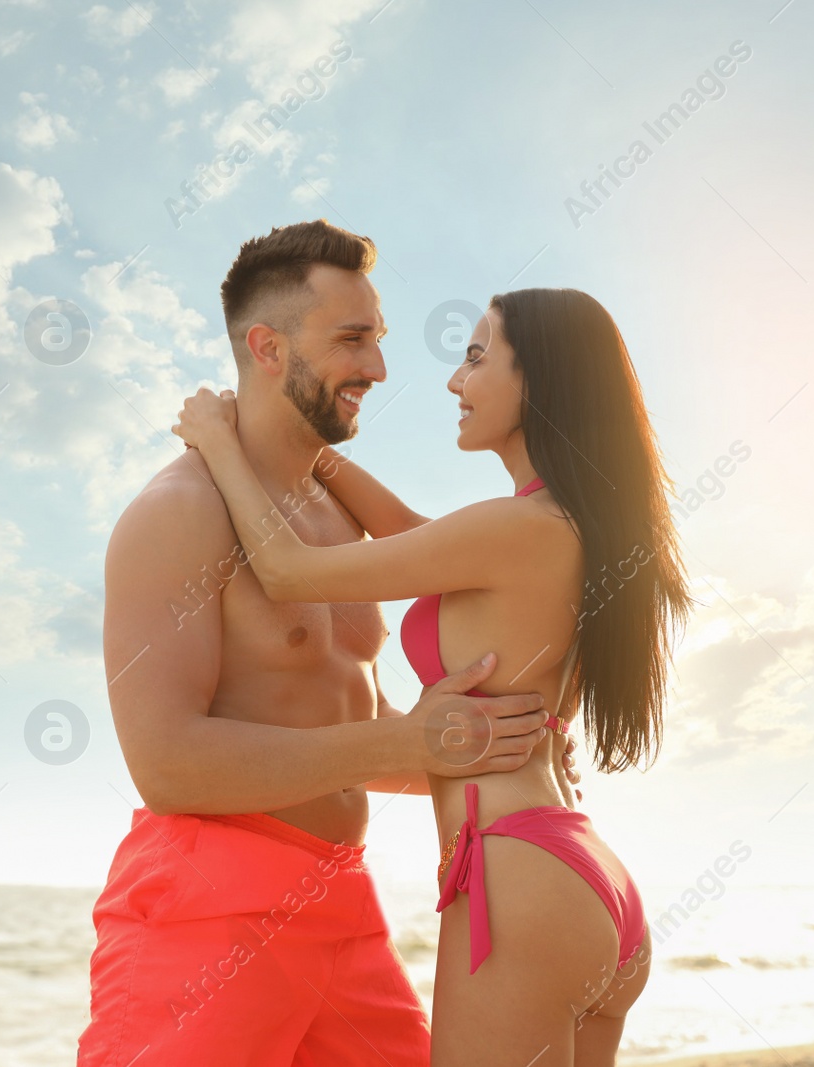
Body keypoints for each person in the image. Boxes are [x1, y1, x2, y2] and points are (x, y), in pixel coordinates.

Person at [78, 221, 583, 1067]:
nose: (380, 369)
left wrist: (493, 746)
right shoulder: (179, 512)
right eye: (352, 340)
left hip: (341, 907)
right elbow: (166, 762)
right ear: (268, 348)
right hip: (208, 917)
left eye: (378, 340)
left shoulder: (333, 513)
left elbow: (349, 713)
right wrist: (410, 740)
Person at [171, 285, 692, 1067]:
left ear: (538, 380)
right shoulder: (554, 526)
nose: (455, 380)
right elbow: (414, 538)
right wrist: (315, 453)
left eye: (477, 356)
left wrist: (215, 439)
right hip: (584, 879)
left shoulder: (520, 528)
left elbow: (284, 569)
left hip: (517, 877)